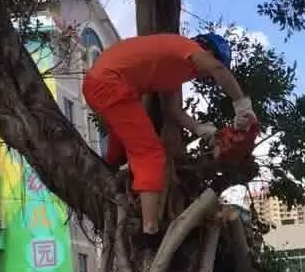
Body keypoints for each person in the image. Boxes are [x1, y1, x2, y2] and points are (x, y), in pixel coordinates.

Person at [82, 32, 258, 246]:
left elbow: (173, 111)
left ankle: (108, 172)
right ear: (208, 51)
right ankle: (149, 231)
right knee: (150, 153)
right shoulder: (187, 48)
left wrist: (202, 130)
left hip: (104, 85)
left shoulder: (176, 70)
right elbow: (218, 69)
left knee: (120, 151)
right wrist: (242, 105)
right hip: (110, 85)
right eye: (214, 61)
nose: (208, 76)